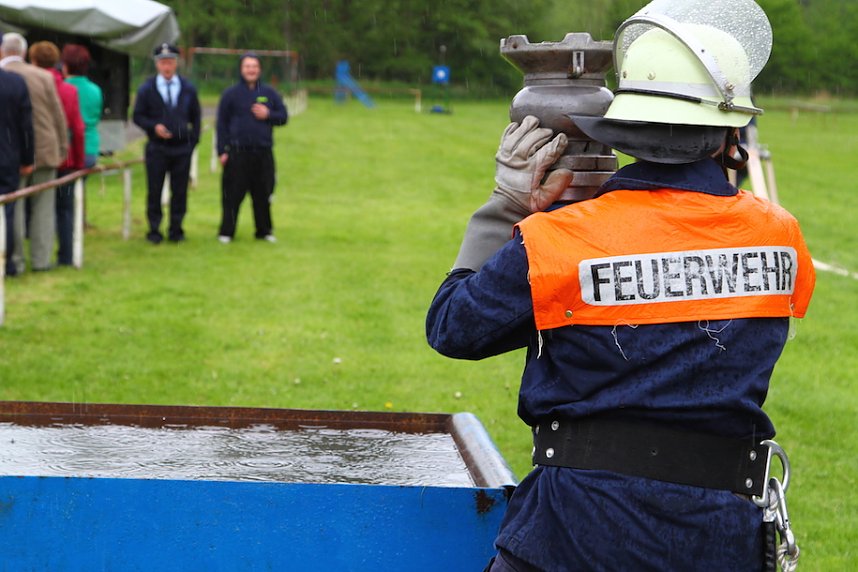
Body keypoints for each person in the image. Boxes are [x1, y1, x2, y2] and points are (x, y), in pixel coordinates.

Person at [425, 0, 816, 570]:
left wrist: (504, 206)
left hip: (573, 533)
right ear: (729, 132)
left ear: (623, 125)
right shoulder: (780, 235)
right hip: (718, 536)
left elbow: (453, 327)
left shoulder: (559, 240)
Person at [0, 32, 68, 273]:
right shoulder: (43, 76)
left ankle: (13, 259)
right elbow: (57, 114)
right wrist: (62, 146)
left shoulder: (7, 77)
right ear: (24, 52)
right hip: (46, 150)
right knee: (43, 206)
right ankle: (41, 260)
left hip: (11, 152)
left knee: (12, 207)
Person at [215, 52, 288, 243]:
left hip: (263, 152)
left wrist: (268, 114)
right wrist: (221, 150)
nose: (251, 70)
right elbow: (221, 124)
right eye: (247, 66)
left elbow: (283, 117)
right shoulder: (230, 95)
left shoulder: (269, 93)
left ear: (260, 69)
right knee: (232, 194)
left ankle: (264, 231)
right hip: (237, 153)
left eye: (254, 66)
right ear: (241, 69)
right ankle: (226, 232)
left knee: (263, 193)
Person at [132, 43, 201, 244]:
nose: (167, 66)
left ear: (176, 63)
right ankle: (154, 229)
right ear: (157, 65)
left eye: (170, 62)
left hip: (181, 148)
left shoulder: (188, 88)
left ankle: (176, 229)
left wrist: (192, 142)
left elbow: (196, 117)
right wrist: (154, 127)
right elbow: (137, 116)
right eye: (163, 62)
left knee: (179, 191)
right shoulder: (147, 88)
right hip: (157, 148)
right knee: (154, 190)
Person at [29, 41, 85, 267]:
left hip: (28, 154)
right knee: (64, 208)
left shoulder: (24, 83)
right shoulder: (68, 90)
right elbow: (76, 127)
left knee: (26, 207)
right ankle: (65, 255)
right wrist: (78, 161)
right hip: (63, 157)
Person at [62, 43, 104, 226]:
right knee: (78, 188)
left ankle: (70, 226)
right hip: (90, 148)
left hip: (70, 149)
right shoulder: (95, 90)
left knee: (64, 196)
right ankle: (79, 221)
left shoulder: (62, 88)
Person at [0, 66, 34, 277]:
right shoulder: (14, 82)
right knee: (7, 211)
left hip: (7, 155)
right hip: (6, 155)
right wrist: (28, 158)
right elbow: (26, 125)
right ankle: (7, 262)